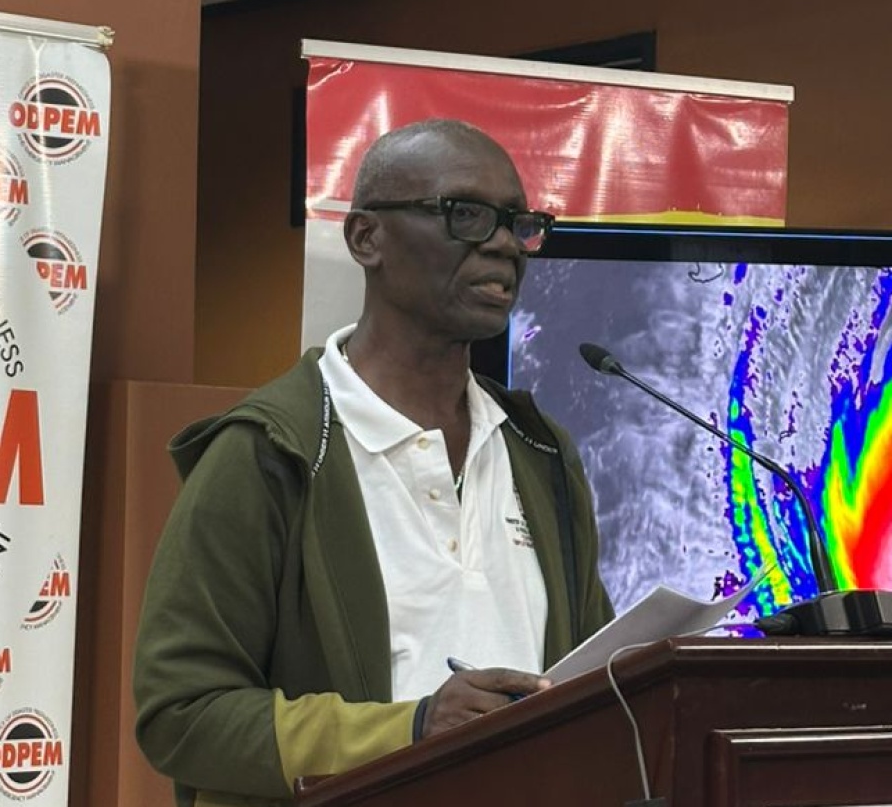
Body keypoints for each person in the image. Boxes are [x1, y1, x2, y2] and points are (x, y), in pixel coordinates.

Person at [133, 118, 614, 807]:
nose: (507, 244)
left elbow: (592, 674)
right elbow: (180, 714)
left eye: (520, 222)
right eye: (468, 215)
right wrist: (411, 728)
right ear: (366, 238)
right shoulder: (270, 451)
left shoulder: (539, 451)